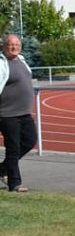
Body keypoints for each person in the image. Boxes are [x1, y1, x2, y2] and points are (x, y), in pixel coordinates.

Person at [0, 34, 37, 192]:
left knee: (30, 140)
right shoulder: (1, 64)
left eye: (17, 44)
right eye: (10, 44)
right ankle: (15, 183)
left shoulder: (21, 60)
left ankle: (2, 170)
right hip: (7, 114)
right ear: (4, 47)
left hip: (24, 113)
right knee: (13, 148)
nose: (14, 47)